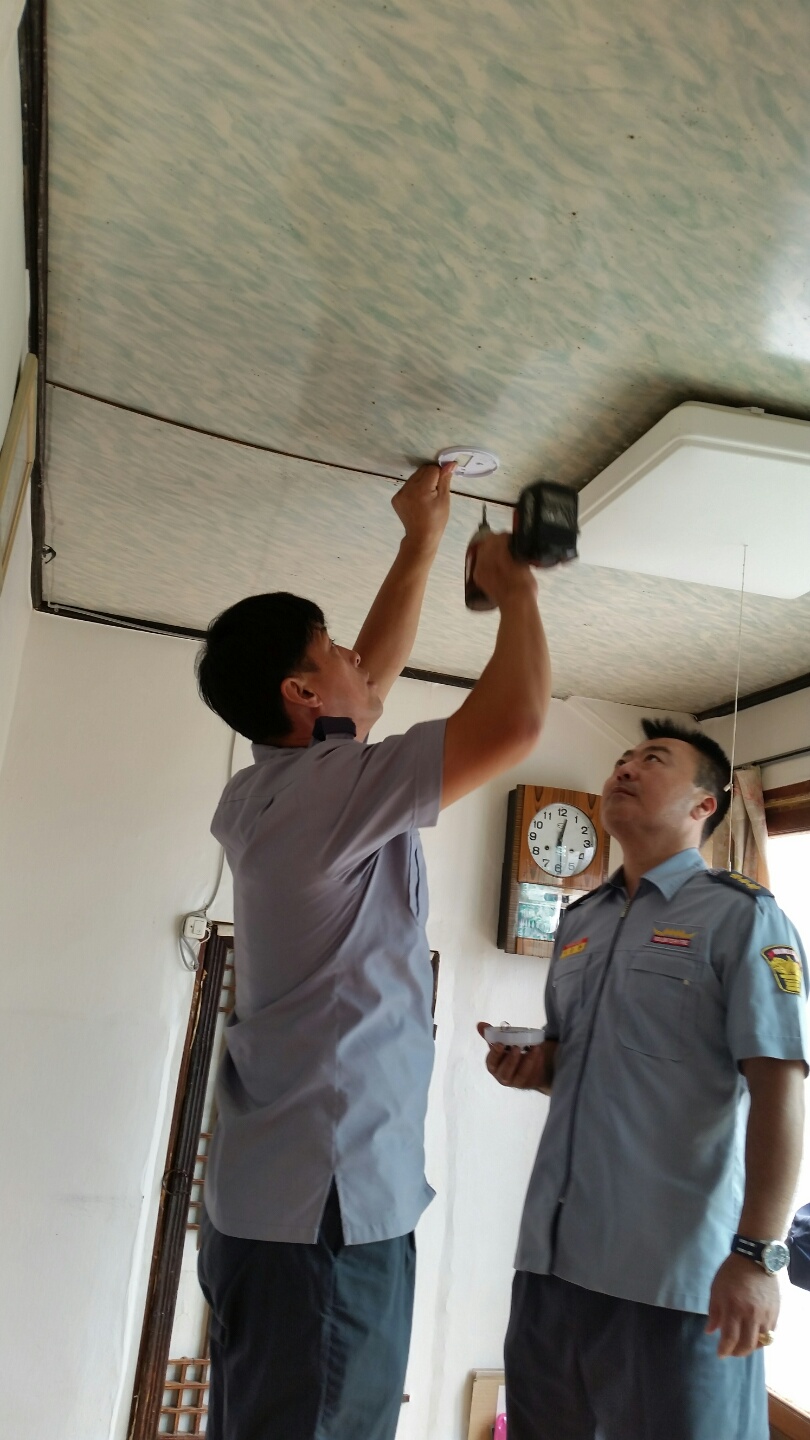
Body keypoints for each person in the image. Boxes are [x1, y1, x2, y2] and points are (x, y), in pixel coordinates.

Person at [194, 460, 551, 1440]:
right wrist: (517, 589)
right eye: (332, 647)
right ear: (302, 692)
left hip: (288, 1211)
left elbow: (368, 686)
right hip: (327, 1216)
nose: (356, 654)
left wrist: (420, 541)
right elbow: (516, 721)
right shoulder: (326, 795)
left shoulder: (270, 789)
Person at [480, 720, 808, 1440]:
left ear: (704, 804)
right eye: (622, 759)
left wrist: (759, 1255)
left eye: (652, 760)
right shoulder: (580, 923)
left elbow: (782, 1088)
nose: (624, 769)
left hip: (675, 1281)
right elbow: (587, 1067)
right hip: (552, 1269)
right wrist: (535, 1069)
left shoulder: (743, 916)